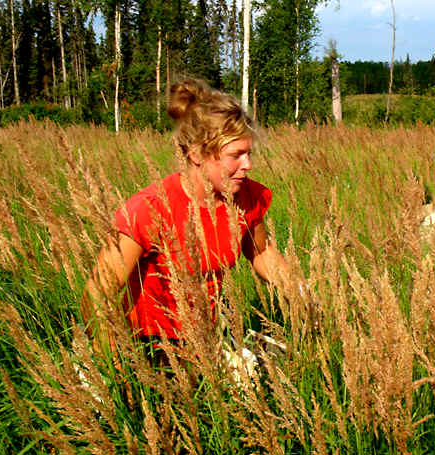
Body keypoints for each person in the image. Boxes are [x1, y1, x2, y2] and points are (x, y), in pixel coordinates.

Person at [81, 78, 290, 367]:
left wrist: (301, 293)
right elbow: (96, 294)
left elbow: (262, 252)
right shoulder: (148, 209)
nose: (248, 165)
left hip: (211, 334)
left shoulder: (246, 196)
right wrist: (113, 366)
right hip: (149, 345)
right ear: (196, 154)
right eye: (236, 156)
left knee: (284, 358)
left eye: (249, 153)